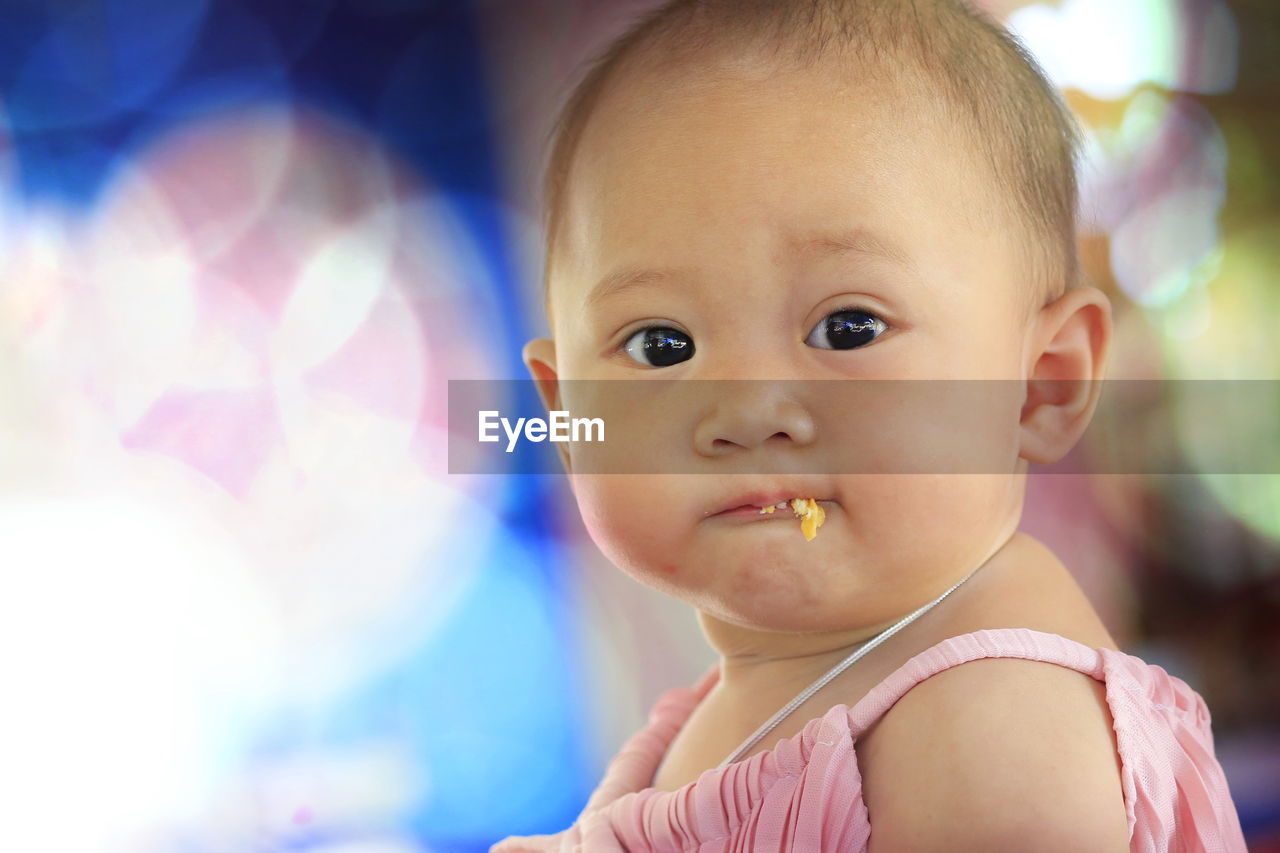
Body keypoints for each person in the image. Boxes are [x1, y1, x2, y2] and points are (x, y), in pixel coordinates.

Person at [492, 0, 1249, 849]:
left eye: (848, 326)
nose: (746, 414)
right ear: (566, 418)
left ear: (1040, 385)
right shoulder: (731, 702)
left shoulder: (994, 724)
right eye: (661, 345)